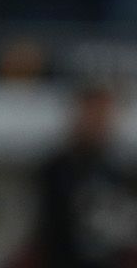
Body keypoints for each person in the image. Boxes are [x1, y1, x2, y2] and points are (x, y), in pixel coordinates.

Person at [27, 84, 137, 268]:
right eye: (93, 114)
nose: (99, 122)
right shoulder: (56, 170)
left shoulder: (119, 171)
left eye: (104, 115)